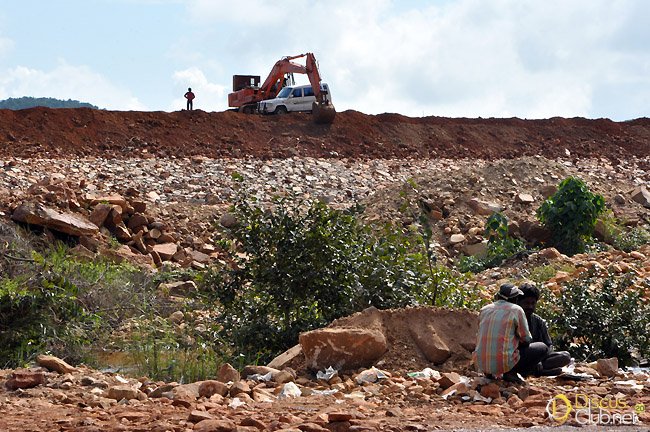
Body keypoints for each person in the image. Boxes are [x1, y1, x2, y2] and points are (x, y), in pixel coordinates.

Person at [474, 283, 549, 383]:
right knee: (542, 347)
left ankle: (491, 372)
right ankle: (511, 372)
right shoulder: (516, 310)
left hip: (481, 364)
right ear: (515, 299)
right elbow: (526, 339)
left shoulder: (484, 309)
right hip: (505, 363)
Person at [518, 283, 572, 376]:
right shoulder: (514, 319)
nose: (530, 307)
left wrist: (539, 359)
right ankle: (535, 371)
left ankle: (536, 370)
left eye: (533, 303)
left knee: (565, 356)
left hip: (539, 359)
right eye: (526, 303)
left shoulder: (538, 321)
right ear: (518, 302)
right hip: (519, 358)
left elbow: (549, 345)